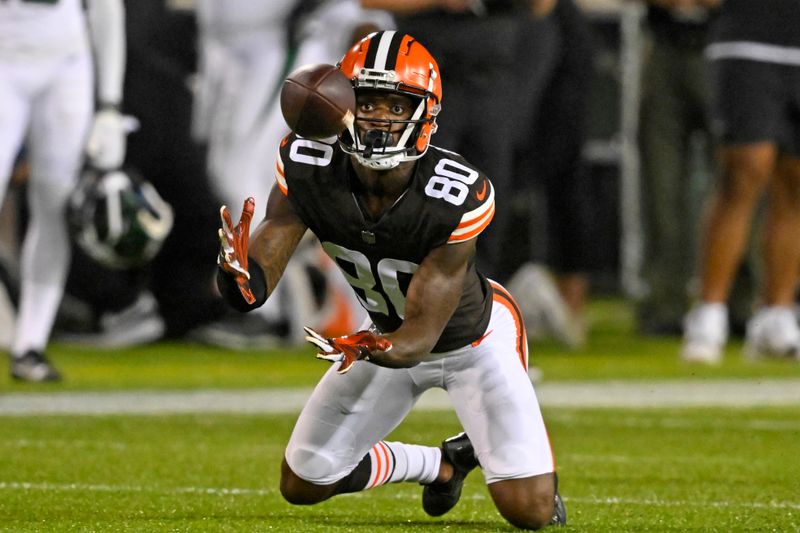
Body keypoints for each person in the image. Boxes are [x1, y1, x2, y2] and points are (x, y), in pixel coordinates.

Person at [216, 32, 565, 529]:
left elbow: (418, 339)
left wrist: (372, 346)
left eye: (397, 106)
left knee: (528, 512)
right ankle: (441, 465)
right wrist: (236, 278)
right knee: (304, 480)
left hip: (470, 341)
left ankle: (507, 459)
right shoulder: (309, 164)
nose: (380, 116)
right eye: (368, 101)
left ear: (424, 115)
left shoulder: (454, 193)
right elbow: (262, 272)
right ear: (340, 105)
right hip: (380, 333)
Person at [0, 0, 127, 381]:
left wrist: (110, 106)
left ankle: (30, 344)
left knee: (57, 203)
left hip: (66, 58)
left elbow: (107, 7)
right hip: (6, 54)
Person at [681, 0, 800, 364]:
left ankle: (776, 314)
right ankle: (709, 312)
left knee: (795, 184)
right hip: (748, 38)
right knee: (745, 171)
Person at [634, 0, 727, 336]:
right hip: (665, 45)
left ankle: (740, 302)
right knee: (662, 185)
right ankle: (664, 302)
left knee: (741, 179)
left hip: (725, 46)